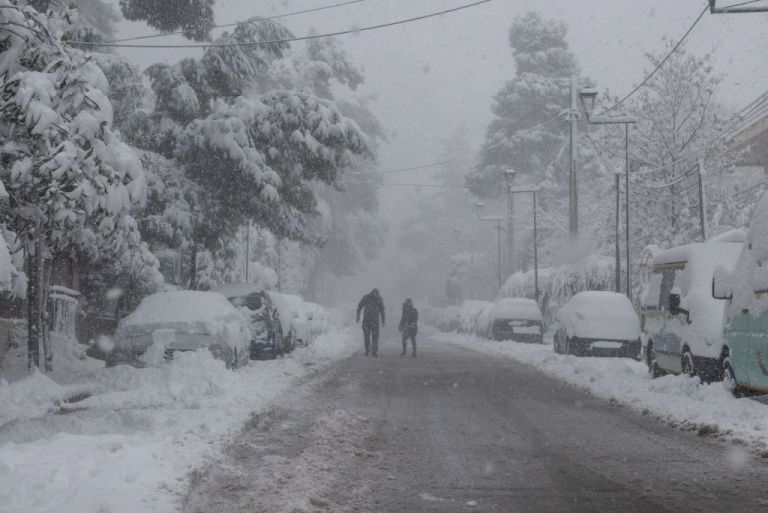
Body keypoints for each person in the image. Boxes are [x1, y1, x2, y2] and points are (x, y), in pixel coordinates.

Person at [356, 288, 385, 356]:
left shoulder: (379, 299)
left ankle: (374, 351)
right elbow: (360, 306)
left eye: (377, 294)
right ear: (372, 293)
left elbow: (382, 311)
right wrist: (358, 316)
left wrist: (383, 320)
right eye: (375, 294)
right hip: (367, 320)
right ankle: (367, 350)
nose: (376, 295)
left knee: (375, 337)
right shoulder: (366, 298)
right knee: (367, 336)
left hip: (374, 321)